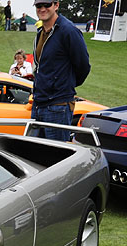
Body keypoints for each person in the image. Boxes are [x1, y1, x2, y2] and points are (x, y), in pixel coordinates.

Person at [30, 0, 90, 142]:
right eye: (39, 6)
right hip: (39, 103)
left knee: (56, 157)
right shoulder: (40, 32)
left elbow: (83, 65)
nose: (43, 9)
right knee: (32, 155)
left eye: (47, 5)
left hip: (58, 107)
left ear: (56, 5)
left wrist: (63, 85)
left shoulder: (68, 31)